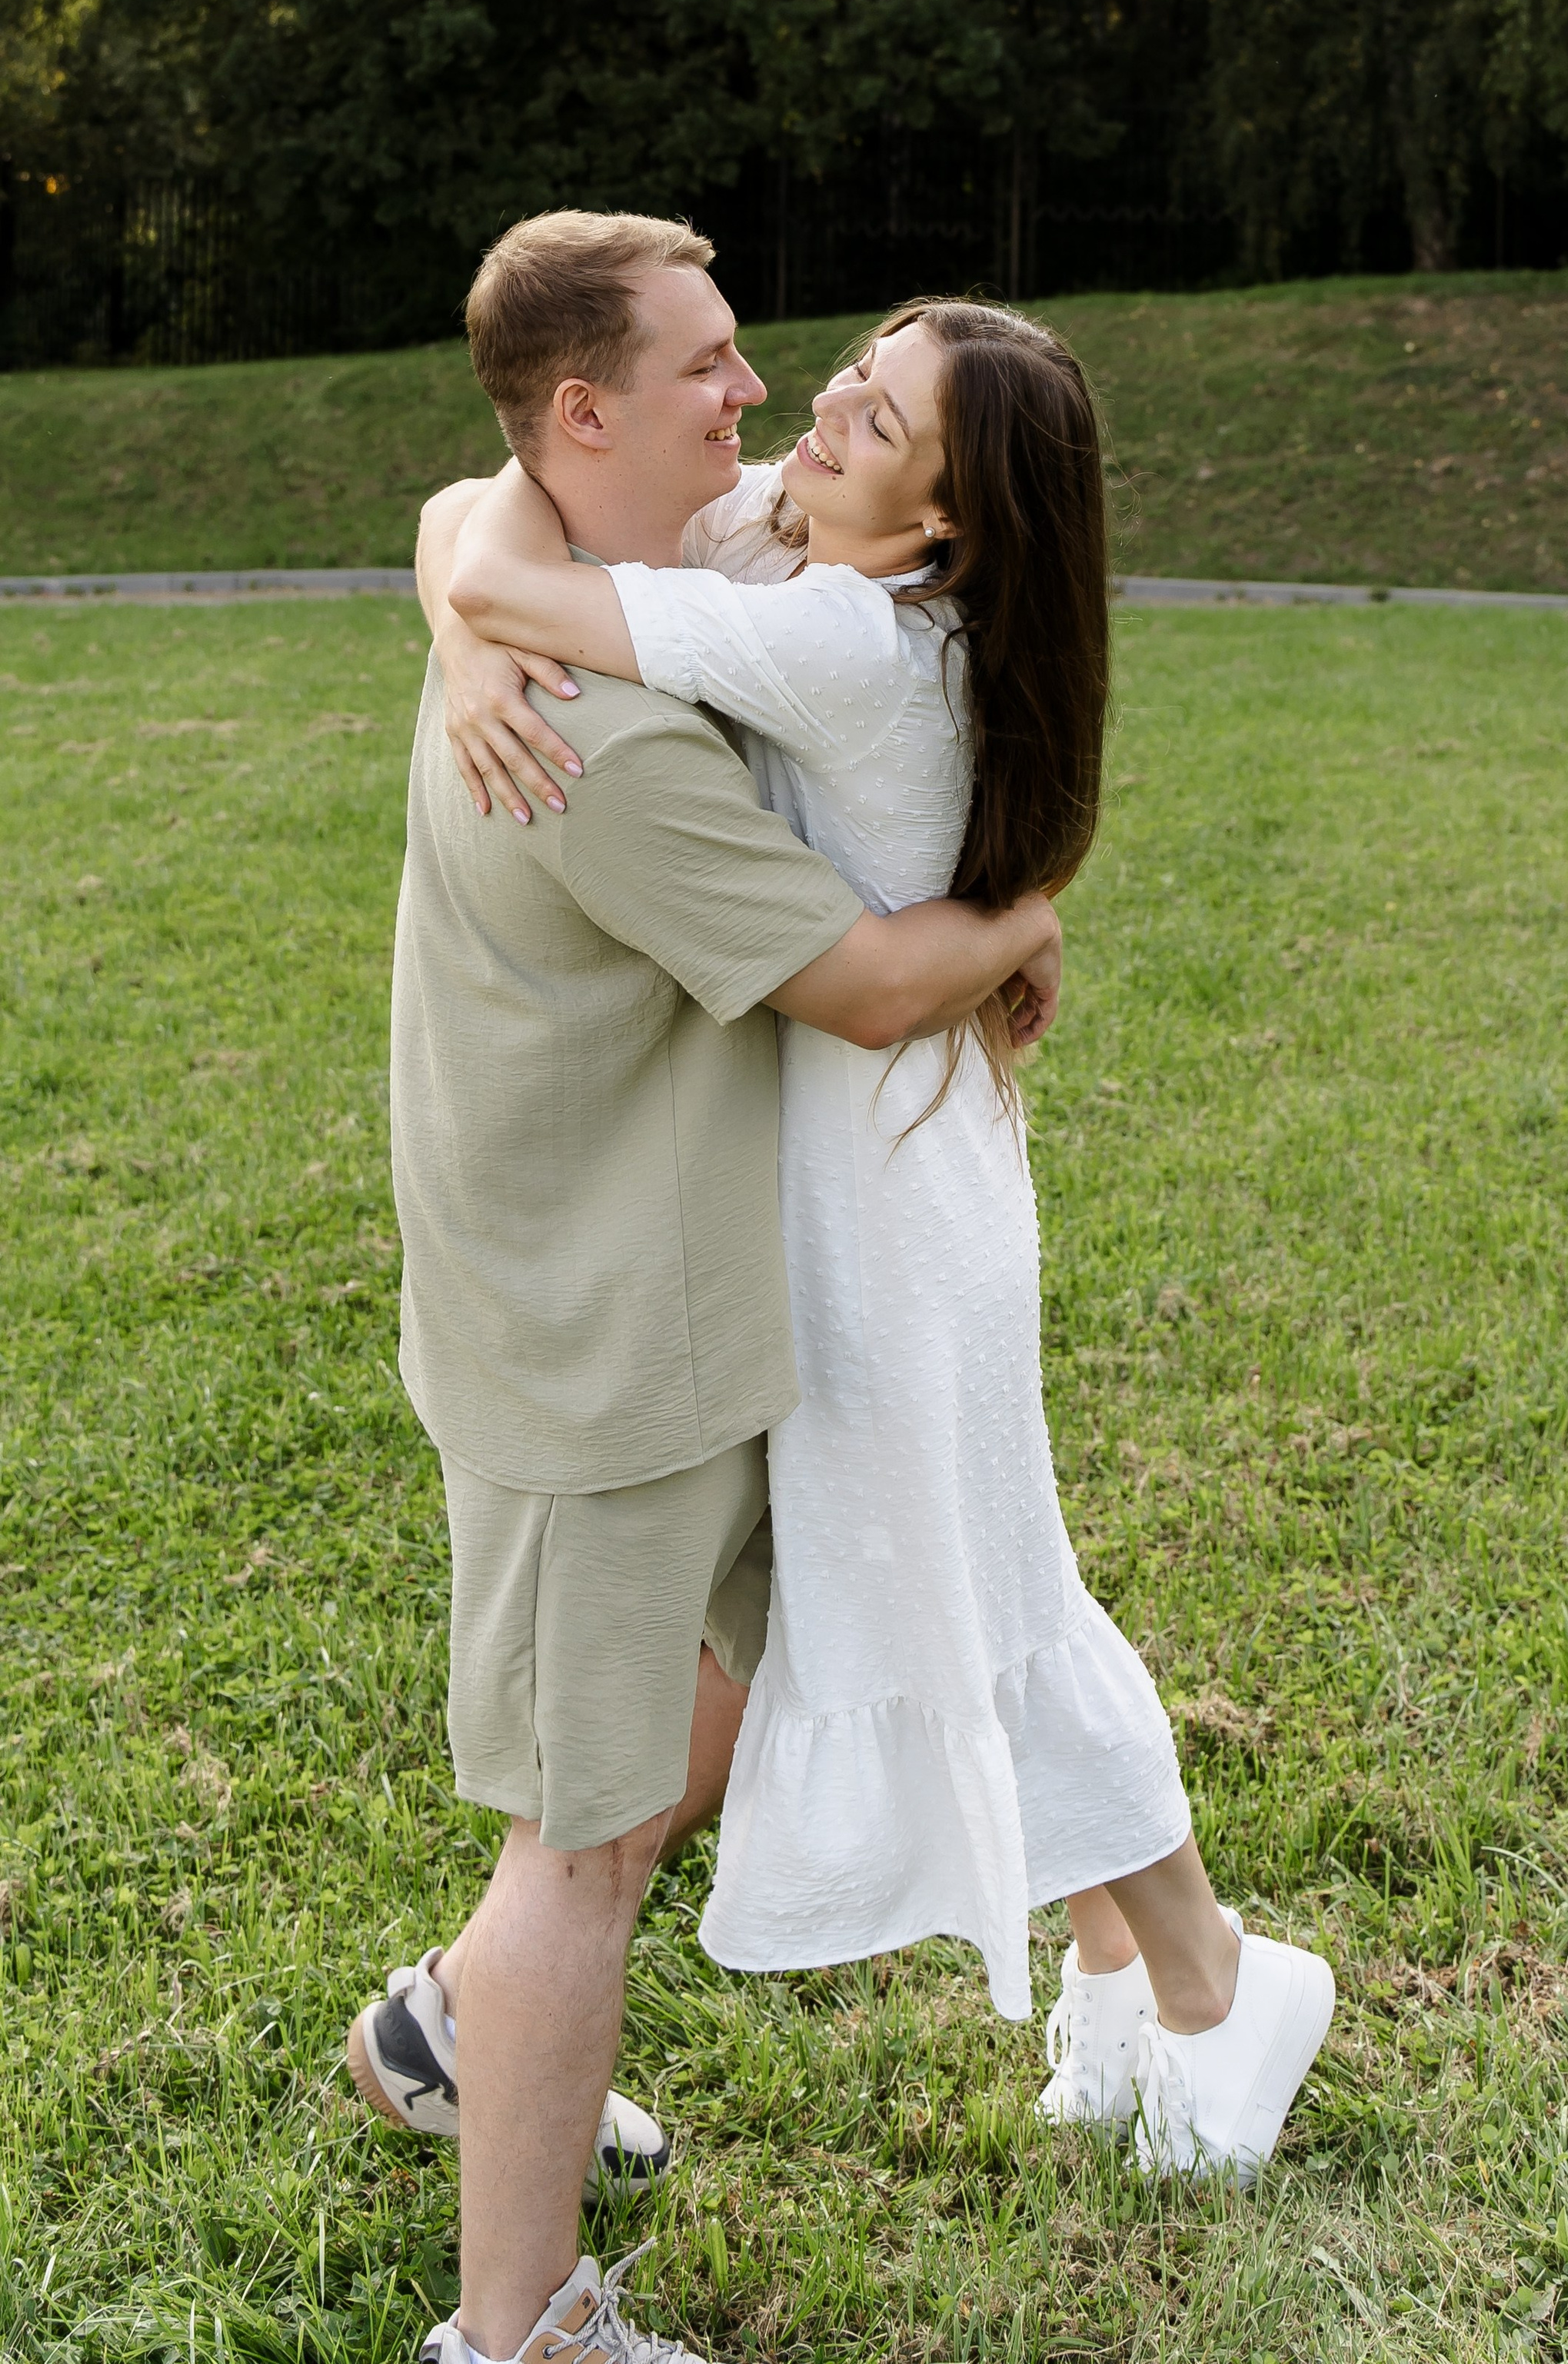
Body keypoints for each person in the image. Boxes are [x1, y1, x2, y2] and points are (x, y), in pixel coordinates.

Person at [421, 288, 1337, 2199]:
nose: (820, 408)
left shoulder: (842, 636)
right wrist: (458, 625)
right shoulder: (809, 552)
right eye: (854, 373)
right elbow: (475, 515)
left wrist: (478, 630)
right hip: (854, 1179)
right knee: (962, 1590)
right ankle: (1132, 1985)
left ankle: (1217, 1984)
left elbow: (525, 585)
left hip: (887, 1215)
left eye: (876, 418)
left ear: (938, 522)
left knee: (987, 1599)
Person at [368, 211, 1064, 2364]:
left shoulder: (609, 565)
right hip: (604, 1345)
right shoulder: (602, 734)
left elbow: (460, 508)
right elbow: (859, 985)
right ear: (589, 413)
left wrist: (464, 604)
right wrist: (1028, 915)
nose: (757, 399)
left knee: (730, 1687)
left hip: (668, 1292)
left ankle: (453, 2031)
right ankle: (518, 2332)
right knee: (580, 1846)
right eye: (710, 366)